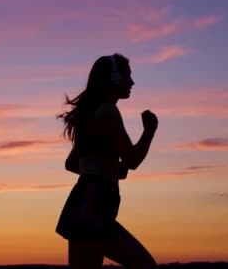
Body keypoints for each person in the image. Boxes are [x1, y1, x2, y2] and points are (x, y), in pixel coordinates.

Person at [56, 53, 159, 269]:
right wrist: (149, 131)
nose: (131, 82)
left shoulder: (93, 113)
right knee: (146, 267)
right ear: (113, 78)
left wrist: (109, 169)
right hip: (94, 206)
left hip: (87, 205)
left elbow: (73, 164)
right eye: (127, 75)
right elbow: (133, 159)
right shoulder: (108, 111)